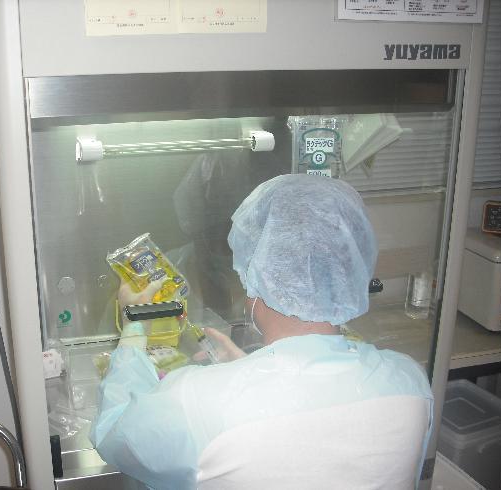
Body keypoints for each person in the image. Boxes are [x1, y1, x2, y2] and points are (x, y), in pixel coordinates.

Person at [90, 174, 433, 490]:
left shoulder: (195, 403)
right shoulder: (409, 381)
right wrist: (244, 367)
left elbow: (114, 432)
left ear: (254, 272)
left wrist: (134, 328)